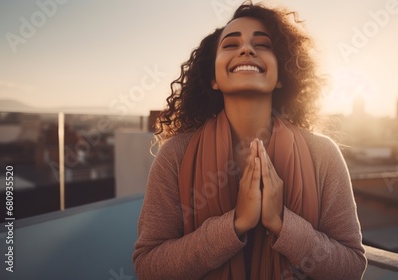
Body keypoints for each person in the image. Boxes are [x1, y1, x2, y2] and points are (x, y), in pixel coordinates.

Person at [133, 2, 366, 279]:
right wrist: (235, 224)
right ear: (213, 79)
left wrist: (282, 222)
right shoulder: (176, 154)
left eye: (263, 44)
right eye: (231, 44)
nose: (246, 49)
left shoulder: (322, 153)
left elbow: (351, 267)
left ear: (280, 76)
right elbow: (148, 266)